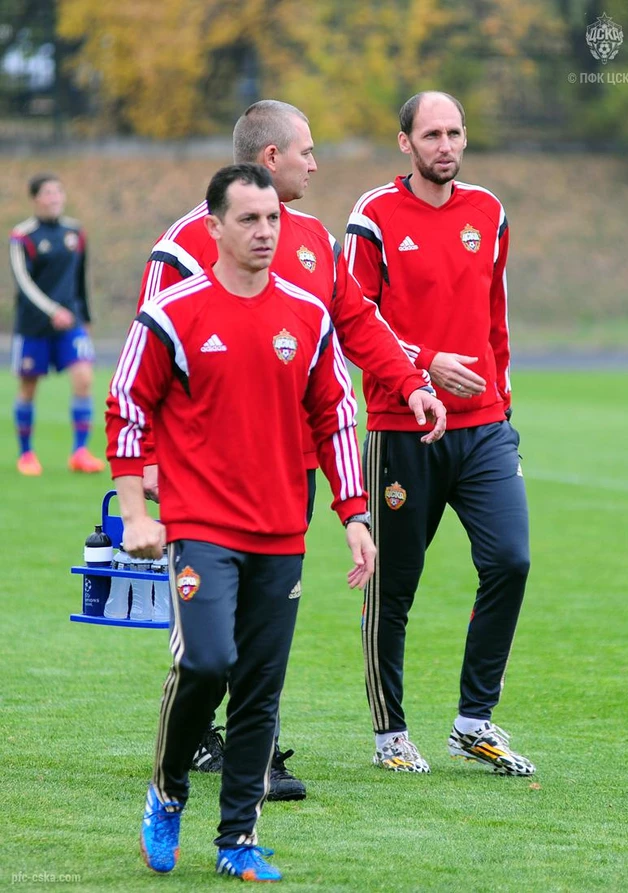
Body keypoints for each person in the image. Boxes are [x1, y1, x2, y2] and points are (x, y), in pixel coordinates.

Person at [138, 100, 447, 799]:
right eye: (306, 150)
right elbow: (147, 357)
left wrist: (411, 382)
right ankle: (220, 749)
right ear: (270, 158)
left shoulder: (312, 239)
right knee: (214, 626)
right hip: (205, 473)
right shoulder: (184, 244)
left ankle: (243, 745)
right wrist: (150, 459)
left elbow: (359, 323)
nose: (315, 163)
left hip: (288, 468)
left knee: (264, 616)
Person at [106, 163, 376, 881]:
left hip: (281, 530)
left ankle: (237, 839)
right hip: (201, 525)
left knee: (260, 686)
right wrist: (134, 512)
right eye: (249, 219)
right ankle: (167, 792)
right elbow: (126, 406)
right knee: (205, 662)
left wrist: (354, 514)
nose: (265, 231)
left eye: (272, 219)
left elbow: (335, 415)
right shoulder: (174, 313)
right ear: (215, 227)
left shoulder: (307, 315)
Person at [344, 91, 535, 777]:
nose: (446, 146)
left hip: (485, 427)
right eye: (431, 135)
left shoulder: (489, 211)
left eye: (455, 132)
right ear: (406, 143)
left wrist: (501, 403)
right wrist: (424, 362)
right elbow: (352, 320)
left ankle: (473, 721)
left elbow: (495, 317)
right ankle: (390, 732)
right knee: (394, 586)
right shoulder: (373, 216)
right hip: (404, 428)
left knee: (510, 560)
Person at [9, 173, 105, 476]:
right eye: (48, 193)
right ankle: (26, 455)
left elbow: (79, 280)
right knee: (28, 387)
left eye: (58, 192)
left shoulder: (75, 232)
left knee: (84, 379)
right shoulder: (23, 236)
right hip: (34, 326)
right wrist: (51, 310)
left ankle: (80, 452)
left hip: (70, 323)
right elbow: (23, 282)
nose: (54, 198)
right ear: (36, 198)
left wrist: (85, 318)